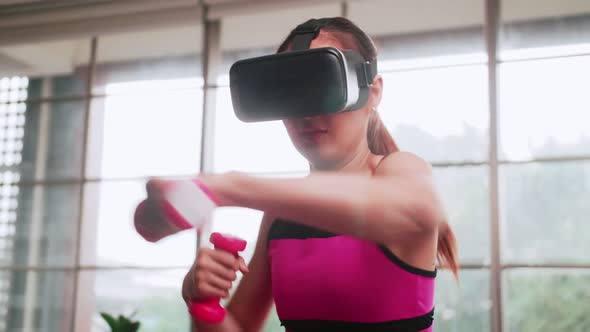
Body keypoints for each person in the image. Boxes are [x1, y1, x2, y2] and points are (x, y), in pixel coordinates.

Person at [181, 17, 458, 332]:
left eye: (324, 85)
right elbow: (241, 327)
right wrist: (201, 302)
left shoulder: (400, 169)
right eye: (291, 92)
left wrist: (231, 187)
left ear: (373, 93)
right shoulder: (280, 214)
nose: (306, 112)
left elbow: (417, 212)